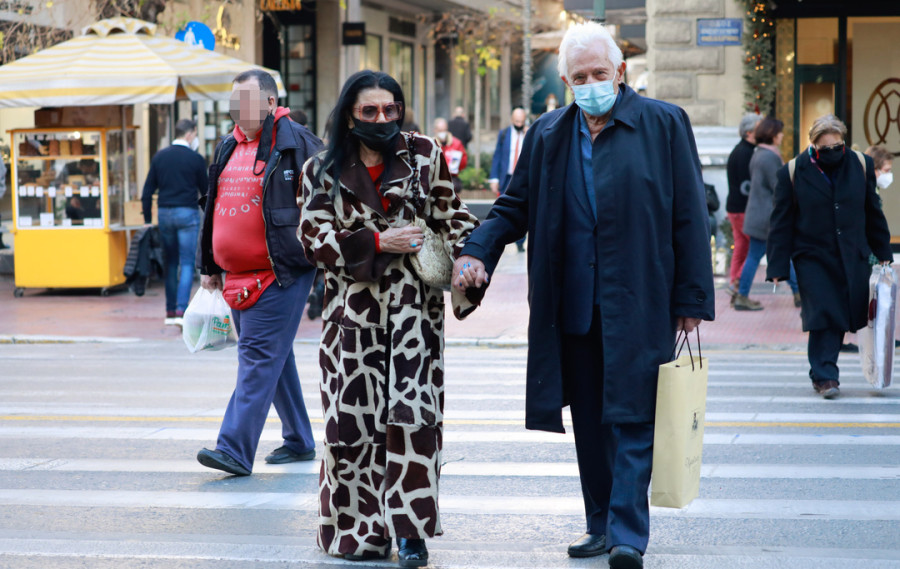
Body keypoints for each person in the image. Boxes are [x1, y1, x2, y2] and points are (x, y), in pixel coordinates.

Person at [453, 22, 714, 569]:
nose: (591, 83)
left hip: (640, 297)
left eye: (600, 73)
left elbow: (690, 216)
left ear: (620, 72)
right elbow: (512, 206)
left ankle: (627, 535)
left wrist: (691, 300)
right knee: (592, 419)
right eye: (579, 77)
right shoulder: (549, 133)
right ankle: (600, 524)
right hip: (571, 299)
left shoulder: (664, 123)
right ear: (567, 82)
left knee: (635, 415)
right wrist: (476, 250)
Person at [299, 70, 480, 567]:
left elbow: (454, 216)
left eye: (391, 109)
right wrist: (377, 241)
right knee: (349, 427)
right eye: (370, 111)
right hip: (350, 319)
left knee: (412, 421)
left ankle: (411, 532)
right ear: (349, 115)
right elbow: (312, 240)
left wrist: (470, 257)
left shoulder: (423, 153)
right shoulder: (321, 168)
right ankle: (355, 531)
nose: (383, 119)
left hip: (413, 319)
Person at [195, 69, 322, 476]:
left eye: (246, 101)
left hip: (282, 271)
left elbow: (328, 201)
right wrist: (209, 266)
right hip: (235, 275)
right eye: (234, 101)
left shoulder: (298, 142)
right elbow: (212, 207)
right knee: (273, 358)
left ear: (270, 103)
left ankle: (233, 448)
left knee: (256, 356)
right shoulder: (227, 145)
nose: (238, 109)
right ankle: (300, 439)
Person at [768, 114, 892, 399]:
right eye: (826, 149)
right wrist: (777, 265)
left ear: (844, 142)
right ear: (813, 146)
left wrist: (883, 251)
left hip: (852, 254)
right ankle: (825, 376)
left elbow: (872, 211)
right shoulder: (792, 172)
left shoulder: (860, 164)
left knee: (841, 312)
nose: (833, 153)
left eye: (838, 146)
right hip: (812, 256)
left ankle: (821, 371)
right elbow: (781, 222)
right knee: (824, 312)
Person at [141, 118, 208, 325]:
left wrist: (147, 219)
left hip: (164, 214)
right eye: (195, 135)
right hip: (187, 213)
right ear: (189, 134)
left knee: (170, 263)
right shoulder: (195, 159)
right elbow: (206, 191)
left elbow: (147, 191)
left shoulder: (160, 157)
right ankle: (181, 310)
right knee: (187, 263)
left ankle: (169, 311)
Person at [733, 117, 800, 310]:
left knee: (768, 254)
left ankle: (797, 292)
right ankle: (743, 295)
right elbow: (779, 186)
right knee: (765, 254)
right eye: (779, 133)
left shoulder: (760, 153)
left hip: (759, 214)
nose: (781, 136)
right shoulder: (768, 156)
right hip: (766, 217)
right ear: (772, 134)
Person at [725, 113, 760, 300]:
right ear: (749, 132)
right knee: (752, 248)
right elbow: (747, 185)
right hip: (742, 209)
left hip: (735, 207)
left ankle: (734, 281)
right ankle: (738, 282)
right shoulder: (746, 153)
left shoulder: (740, 150)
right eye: (758, 128)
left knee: (741, 246)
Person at [489, 108, 528, 251]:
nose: (519, 124)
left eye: (522, 121)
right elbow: (497, 156)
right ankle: (502, 238)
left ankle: (520, 242)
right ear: (512, 120)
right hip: (507, 177)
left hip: (524, 177)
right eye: (517, 121)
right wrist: (494, 179)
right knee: (504, 207)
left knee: (523, 208)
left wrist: (528, 134)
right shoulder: (504, 134)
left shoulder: (529, 132)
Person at [432, 117, 468, 193]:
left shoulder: (456, 143)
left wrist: (456, 164)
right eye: (440, 130)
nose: (443, 133)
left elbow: (463, 162)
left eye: (444, 130)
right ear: (435, 130)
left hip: (452, 177)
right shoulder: (431, 144)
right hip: (434, 178)